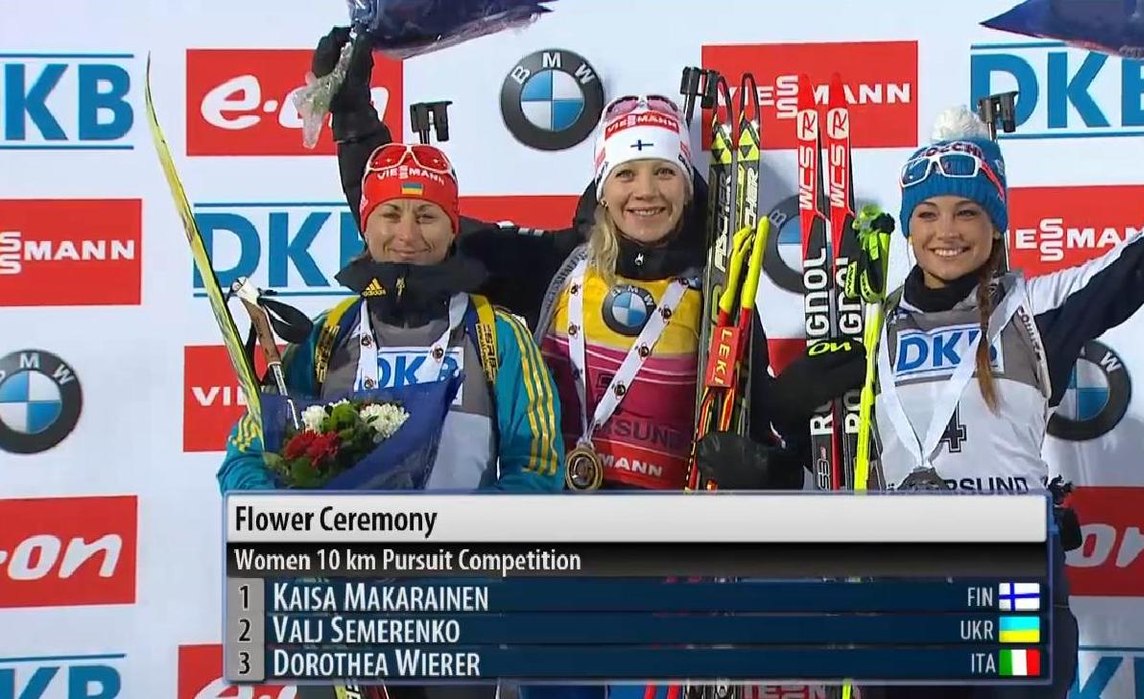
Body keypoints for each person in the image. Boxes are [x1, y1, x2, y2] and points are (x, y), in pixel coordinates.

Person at [693, 12, 1144, 699]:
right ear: (909, 226)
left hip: (1012, 575)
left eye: (967, 212)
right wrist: (773, 464)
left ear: (996, 223)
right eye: (927, 213)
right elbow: (842, 477)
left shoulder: (1039, 308)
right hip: (902, 586)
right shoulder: (876, 329)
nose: (946, 231)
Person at [314, 29, 790, 699]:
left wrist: (767, 467)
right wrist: (356, 124)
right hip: (556, 555)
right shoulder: (554, 267)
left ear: (688, 186)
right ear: (602, 185)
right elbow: (418, 233)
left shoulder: (719, 295)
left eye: (663, 172)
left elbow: (755, 428)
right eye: (626, 173)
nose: (645, 192)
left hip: (666, 564)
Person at [217, 140, 565, 495]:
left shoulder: (497, 335)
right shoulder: (326, 335)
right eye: (391, 214)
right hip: (342, 534)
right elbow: (246, 458)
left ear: (453, 229)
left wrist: (460, 523)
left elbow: (537, 468)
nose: (407, 235)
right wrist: (296, 513)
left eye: (426, 216)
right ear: (365, 225)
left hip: (463, 534)